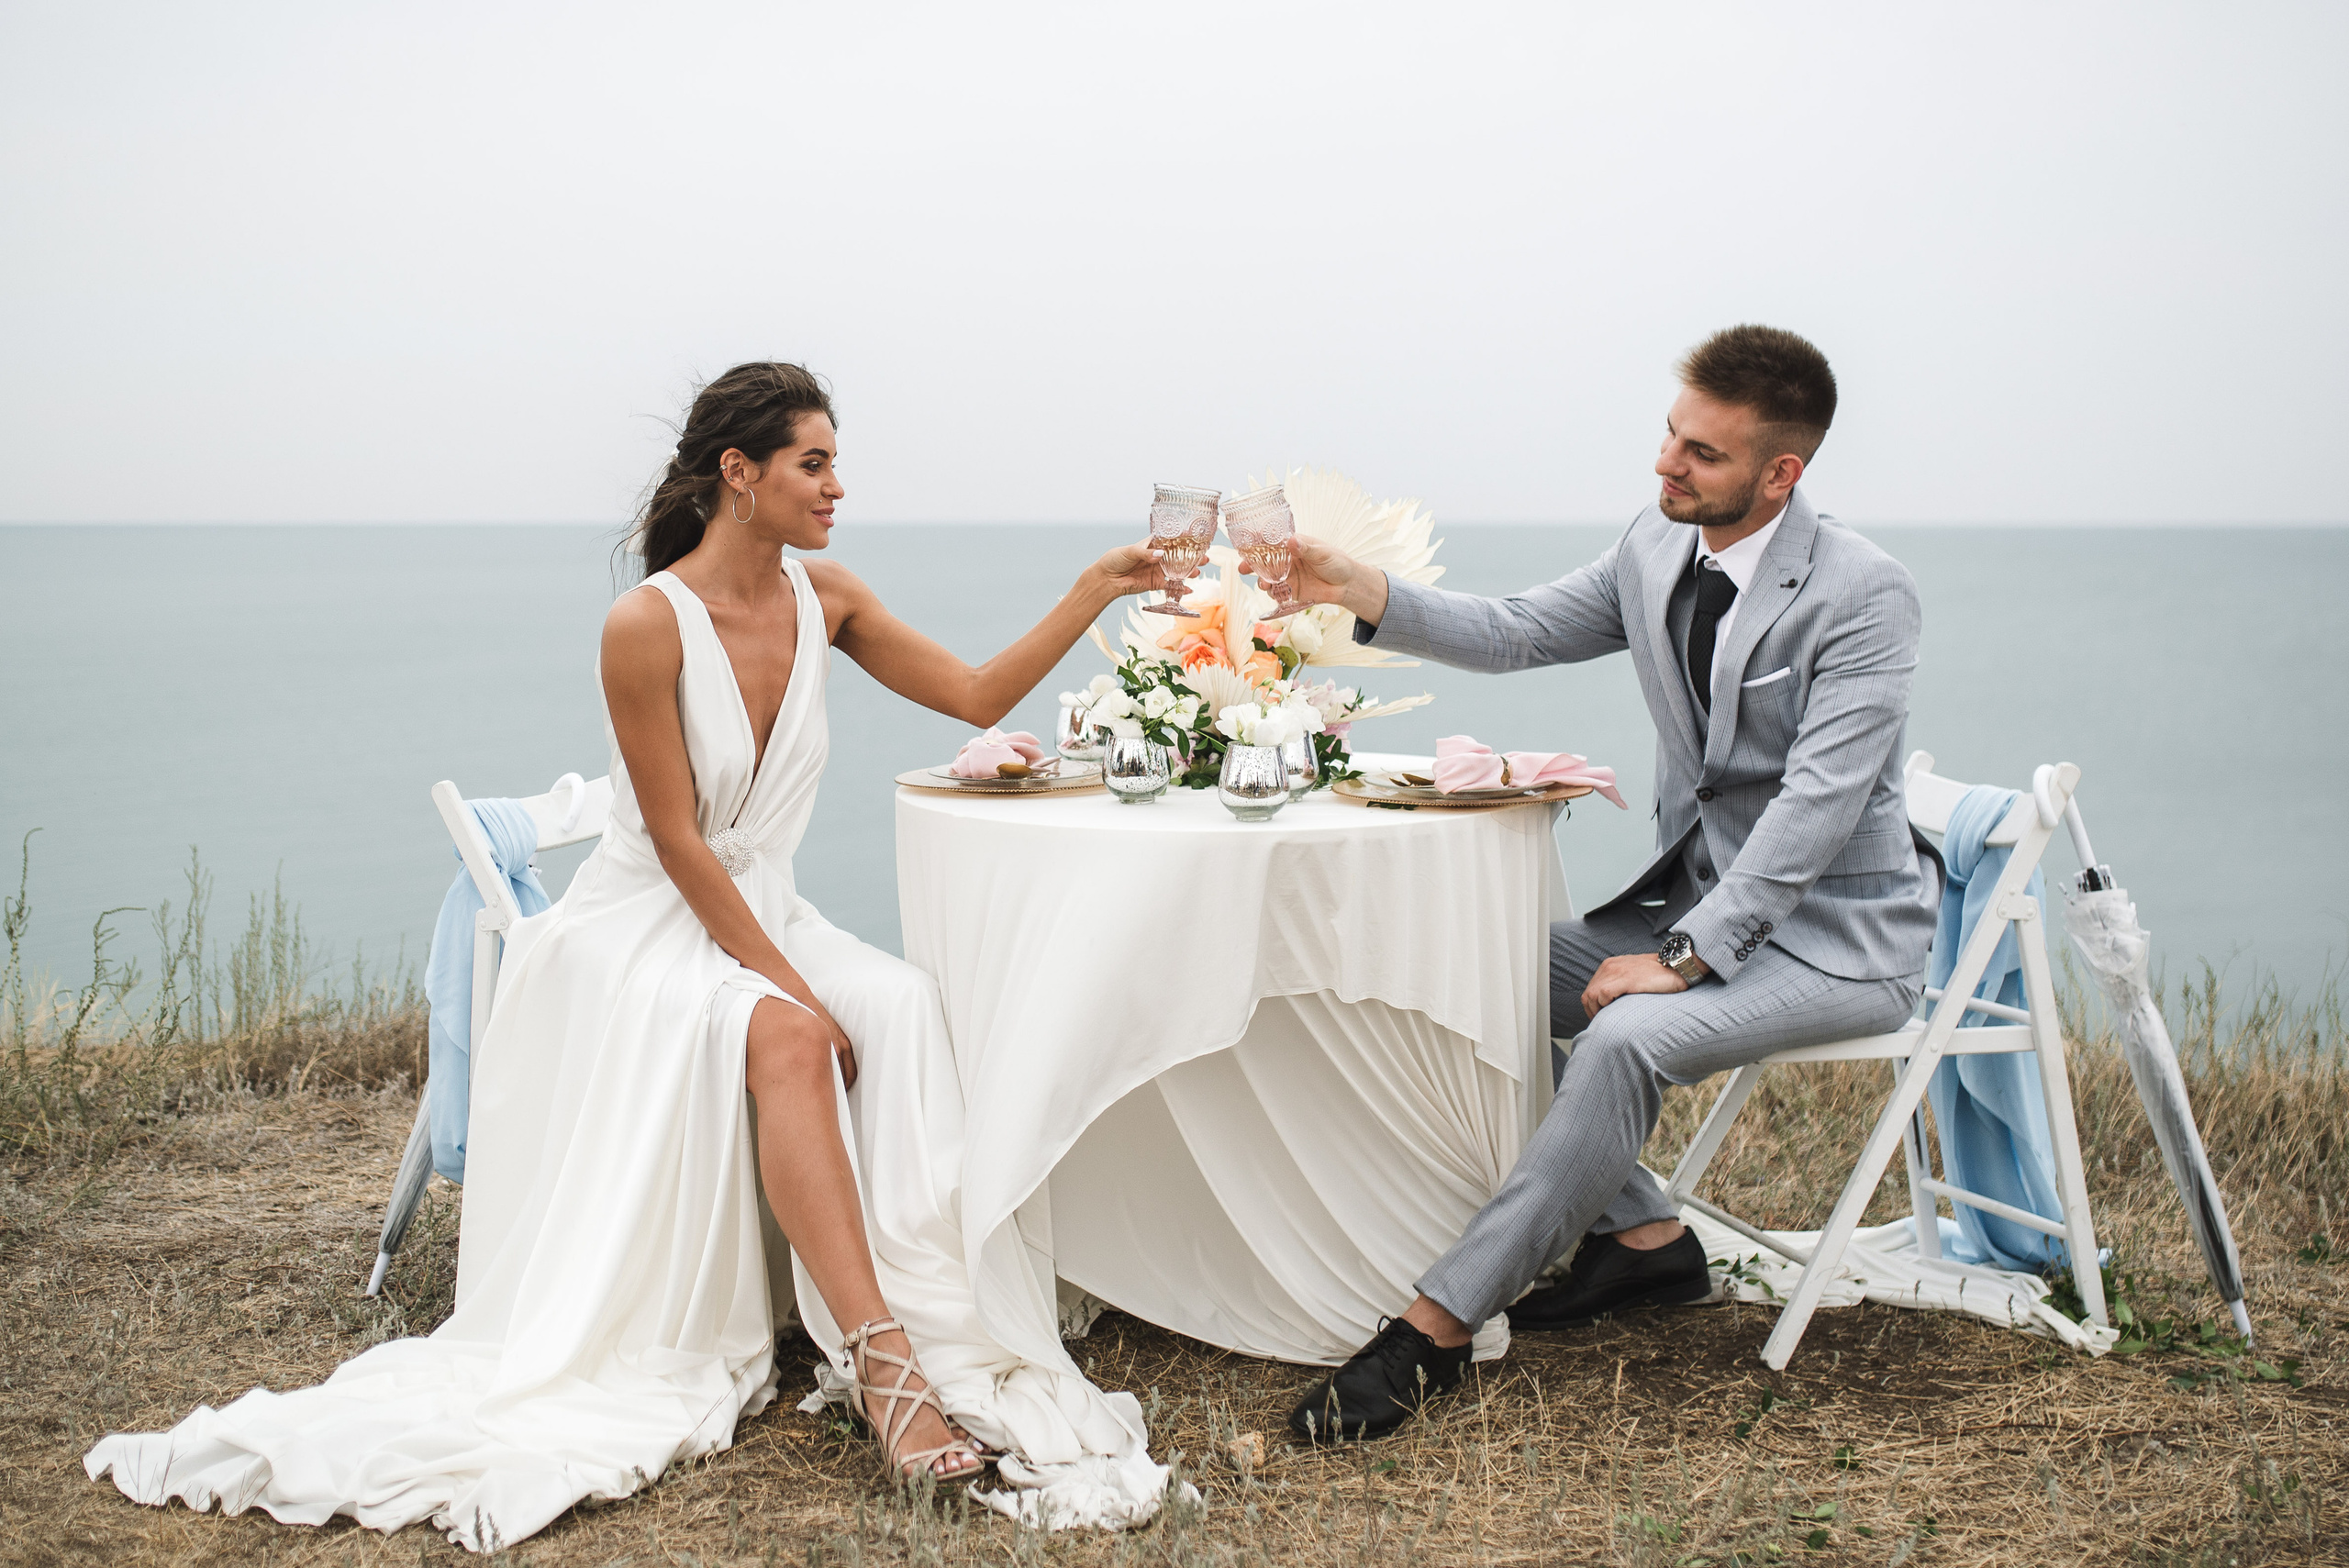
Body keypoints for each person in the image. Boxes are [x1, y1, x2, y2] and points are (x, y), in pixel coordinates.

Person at [86, 362, 1177, 1547]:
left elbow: (973, 695)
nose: (837, 486)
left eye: (833, 461)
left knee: (907, 1006)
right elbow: (676, 844)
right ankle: (883, 1367)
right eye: (813, 462)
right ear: (738, 474)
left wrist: (1094, 589)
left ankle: (929, 1294)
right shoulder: (644, 624)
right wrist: (791, 985)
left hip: (764, 909)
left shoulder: (833, 599)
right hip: (640, 932)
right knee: (794, 1033)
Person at [1265, 326, 1941, 1441]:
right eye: (1671, 434)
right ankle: (1645, 1243)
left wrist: (1679, 959)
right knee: (1479, 962)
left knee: (1624, 1034)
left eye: (1704, 454)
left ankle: (1432, 1329)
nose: (1668, 465)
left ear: (1782, 474)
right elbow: (1520, 630)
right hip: (1706, 915)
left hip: (1837, 944)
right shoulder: (1654, 542)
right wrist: (1361, 586)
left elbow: (1814, 811)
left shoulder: (1866, 595)